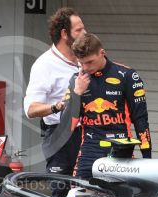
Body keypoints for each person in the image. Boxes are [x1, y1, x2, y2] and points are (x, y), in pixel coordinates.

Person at [65, 33, 152, 179]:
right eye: (82, 63)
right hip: (90, 149)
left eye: (90, 62)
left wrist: (147, 159)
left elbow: (141, 120)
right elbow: (69, 126)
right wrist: (77, 93)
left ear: (102, 53)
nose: (86, 67)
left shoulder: (128, 76)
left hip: (120, 149)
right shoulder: (77, 80)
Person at [24, 7, 85, 197]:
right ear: (64, 34)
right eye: (79, 30)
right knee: (62, 193)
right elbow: (30, 108)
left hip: (88, 133)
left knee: (89, 191)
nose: (84, 33)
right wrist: (56, 106)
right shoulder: (44, 65)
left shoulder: (85, 58)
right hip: (60, 135)